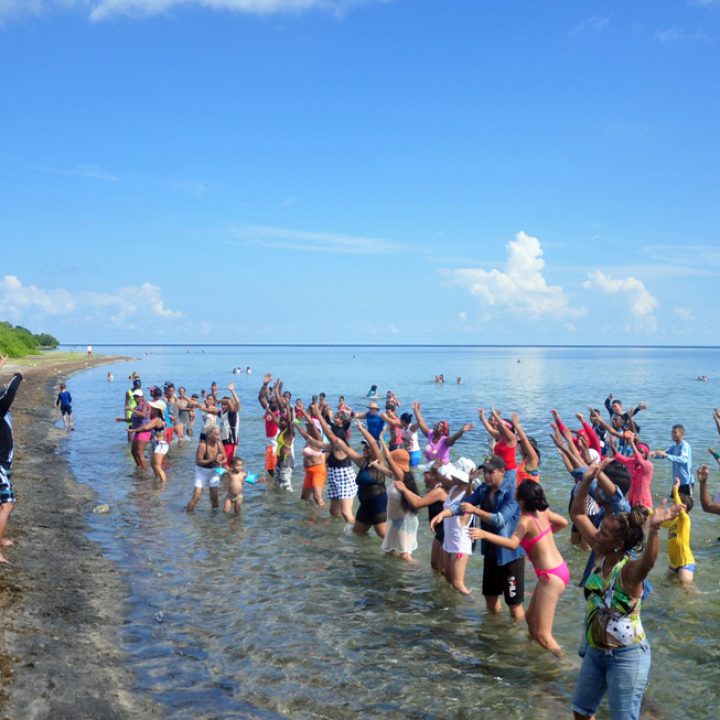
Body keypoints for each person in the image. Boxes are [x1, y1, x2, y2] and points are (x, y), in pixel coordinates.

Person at [570, 465, 683, 720]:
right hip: (595, 651)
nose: (597, 534)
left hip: (626, 656)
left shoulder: (628, 571)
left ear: (619, 544)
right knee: (581, 711)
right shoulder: (600, 553)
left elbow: (648, 563)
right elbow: (577, 513)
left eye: (604, 533)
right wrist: (587, 480)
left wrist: (654, 530)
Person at [470, 481, 569, 654]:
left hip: (550, 577)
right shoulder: (543, 512)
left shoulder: (525, 521)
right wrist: (541, 538)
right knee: (530, 619)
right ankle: (534, 655)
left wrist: (485, 534)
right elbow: (563, 523)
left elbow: (512, 544)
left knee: (544, 635)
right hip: (559, 569)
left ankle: (566, 668)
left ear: (521, 501)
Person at [440, 455, 525, 617]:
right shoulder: (484, 489)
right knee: (490, 598)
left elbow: (500, 520)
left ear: (502, 471)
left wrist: (475, 511)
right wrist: (445, 513)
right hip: (491, 553)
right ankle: (496, 633)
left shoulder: (511, 492)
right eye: (484, 472)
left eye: (490, 472)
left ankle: (518, 636)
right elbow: (465, 504)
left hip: (510, 556)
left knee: (514, 604)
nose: (486, 476)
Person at [331, 419, 392, 538]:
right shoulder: (362, 462)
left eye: (367, 448)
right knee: (358, 533)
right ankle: (366, 555)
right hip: (365, 504)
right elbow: (347, 450)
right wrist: (335, 438)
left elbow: (373, 443)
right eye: (364, 447)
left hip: (377, 502)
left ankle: (399, 553)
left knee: (383, 535)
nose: (365, 449)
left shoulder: (378, 462)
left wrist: (361, 428)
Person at [429, 460, 478, 595]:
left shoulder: (469, 493)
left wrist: (469, 481)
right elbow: (439, 477)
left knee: (457, 583)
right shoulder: (453, 488)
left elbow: (469, 497)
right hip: (449, 537)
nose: (452, 476)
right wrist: (436, 467)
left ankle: (473, 604)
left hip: (460, 540)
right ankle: (452, 606)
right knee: (446, 575)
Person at [394, 464, 451, 574]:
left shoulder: (439, 491)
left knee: (444, 570)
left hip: (445, 531)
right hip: (439, 531)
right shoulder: (435, 489)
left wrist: (404, 490)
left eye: (425, 473)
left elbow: (417, 504)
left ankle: (445, 589)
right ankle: (439, 587)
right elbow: (422, 500)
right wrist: (406, 490)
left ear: (433, 476)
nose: (423, 476)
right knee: (435, 565)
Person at [380, 442, 420, 563]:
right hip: (396, 521)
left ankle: (421, 573)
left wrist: (381, 439)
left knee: (405, 556)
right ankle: (393, 573)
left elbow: (388, 458)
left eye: (392, 461)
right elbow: (385, 469)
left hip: (404, 522)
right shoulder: (395, 477)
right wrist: (375, 465)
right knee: (389, 551)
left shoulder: (400, 475)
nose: (388, 462)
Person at [0, 359, 22, 564]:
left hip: (3, 462)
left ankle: (0, 540)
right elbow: (10, 393)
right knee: (7, 504)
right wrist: (18, 376)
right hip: (0, 463)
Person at [413, 401, 473, 467]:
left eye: (440, 426)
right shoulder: (430, 434)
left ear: (442, 432)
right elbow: (421, 422)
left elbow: (454, 438)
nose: (437, 425)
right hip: (431, 467)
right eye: (438, 424)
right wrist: (416, 410)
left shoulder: (445, 441)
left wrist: (462, 431)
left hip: (443, 468)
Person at [662, 479, 695, 586]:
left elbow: (680, 510)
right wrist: (649, 512)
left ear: (683, 507)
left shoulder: (685, 519)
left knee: (687, 589)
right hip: (674, 563)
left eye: (674, 504)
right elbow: (660, 522)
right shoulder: (673, 522)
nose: (672, 506)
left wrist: (675, 489)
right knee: (665, 584)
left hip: (685, 561)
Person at [187, 424, 226, 511]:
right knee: (197, 496)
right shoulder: (203, 445)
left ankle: (214, 519)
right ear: (209, 435)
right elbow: (199, 461)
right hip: (201, 472)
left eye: (219, 434)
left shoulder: (219, 443)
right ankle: (188, 515)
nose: (218, 437)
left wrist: (220, 461)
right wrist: (212, 459)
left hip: (214, 471)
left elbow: (225, 458)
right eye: (216, 435)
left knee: (214, 497)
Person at [610, 433, 654, 509]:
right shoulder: (632, 462)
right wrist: (612, 446)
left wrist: (632, 443)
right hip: (632, 497)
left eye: (642, 452)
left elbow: (640, 459)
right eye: (638, 451)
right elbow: (619, 457)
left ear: (646, 455)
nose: (639, 454)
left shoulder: (648, 466)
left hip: (643, 500)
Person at [652, 424, 692, 495]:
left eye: (675, 432)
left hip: (685, 482)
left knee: (684, 505)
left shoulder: (684, 445)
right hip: (677, 482)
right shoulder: (674, 446)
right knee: (674, 503)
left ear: (681, 434)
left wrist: (666, 455)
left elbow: (683, 459)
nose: (673, 434)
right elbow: (664, 454)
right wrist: (654, 454)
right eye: (672, 432)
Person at [512, 412, 540, 485]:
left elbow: (524, 440)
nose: (520, 445)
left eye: (523, 444)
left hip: (529, 495)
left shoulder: (533, 459)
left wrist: (517, 426)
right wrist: (516, 429)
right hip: (522, 493)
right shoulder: (525, 458)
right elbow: (519, 440)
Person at [218, 383, 241, 465]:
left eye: (225, 404)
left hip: (230, 441)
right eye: (222, 405)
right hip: (223, 440)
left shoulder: (232, 412)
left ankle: (231, 476)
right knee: (222, 461)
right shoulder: (222, 413)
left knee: (227, 463)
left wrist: (232, 391)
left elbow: (237, 402)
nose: (223, 406)